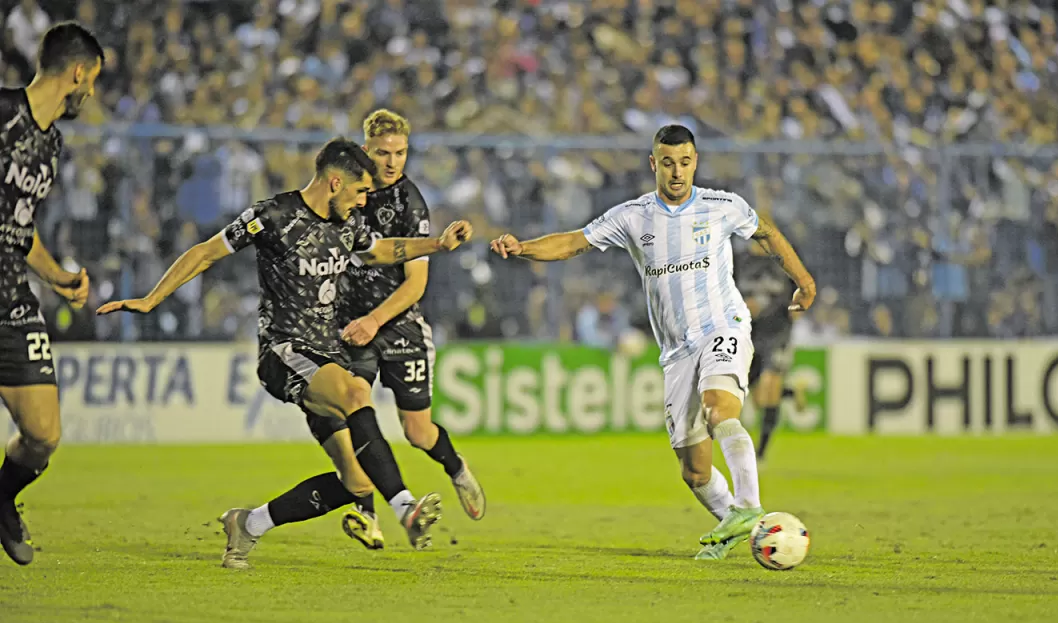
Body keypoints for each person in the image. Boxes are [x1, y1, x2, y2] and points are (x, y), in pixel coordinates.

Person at [98, 138, 473, 569]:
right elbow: (206, 252)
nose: (364, 201)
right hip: (284, 352)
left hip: (328, 357)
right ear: (335, 182)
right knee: (355, 396)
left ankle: (248, 524)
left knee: (357, 479)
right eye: (359, 192)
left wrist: (438, 246)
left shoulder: (347, 222)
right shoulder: (272, 216)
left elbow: (381, 251)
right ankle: (405, 507)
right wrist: (151, 299)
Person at [490, 125, 816, 560]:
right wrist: (522, 247)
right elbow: (572, 243)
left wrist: (804, 280)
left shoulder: (722, 206)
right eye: (668, 163)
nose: (677, 172)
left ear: (695, 162)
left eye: (684, 162)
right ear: (653, 164)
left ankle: (748, 506)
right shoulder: (632, 216)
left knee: (720, 407)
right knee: (695, 470)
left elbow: (766, 232)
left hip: (724, 327)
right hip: (677, 352)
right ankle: (748, 527)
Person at [307, 109, 485, 552]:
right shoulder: (346, 193)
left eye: (401, 153)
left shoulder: (411, 204)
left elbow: (416, 284)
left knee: (418, 433)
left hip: (397, 324)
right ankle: (368, 513)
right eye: (384, 153)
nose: (392, 162)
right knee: (353, 406)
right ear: (366, 150)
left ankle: (457, 467)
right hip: (350, 325)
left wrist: (375, 320)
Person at [0, 22, 103, 566]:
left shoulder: (51, 142)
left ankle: (2, 497)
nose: (91, 95)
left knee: (43, 435)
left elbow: (21, 228)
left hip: (12, 295)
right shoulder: (4, 113)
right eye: (94, 82)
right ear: (78, 72)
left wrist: (59, 278)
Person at [736, 237, 807, 461]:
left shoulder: (784, 260)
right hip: (750, 333)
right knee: (758, 397)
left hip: (778, 331)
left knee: (769, 384)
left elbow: (804, 284)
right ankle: (791, 393)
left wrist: (799, 306)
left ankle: (761, 454)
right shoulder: (740, 262)